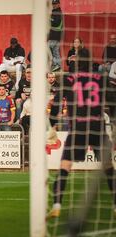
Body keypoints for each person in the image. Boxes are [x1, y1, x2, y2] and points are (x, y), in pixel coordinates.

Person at [47, 57, 116, 218]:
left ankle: (57, 205)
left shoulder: (68, 79)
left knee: (64, 167)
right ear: (91, 65)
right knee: (109, 168)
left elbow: (56, 104)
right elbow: (113, 102)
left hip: (77, 128)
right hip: (97, 128)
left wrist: (53, 125)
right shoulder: (101, 79)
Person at [48, 0, 63, 72]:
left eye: (55, 4)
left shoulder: (57, 12)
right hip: (56, 35)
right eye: (53, 4)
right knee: (55, 51)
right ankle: (58, 65)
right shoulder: (55, 11)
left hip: (55, 34)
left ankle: (55, 64)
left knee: (48, 48)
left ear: (59, 4)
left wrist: (50, 19)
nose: (54, 5)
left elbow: (55, 23)